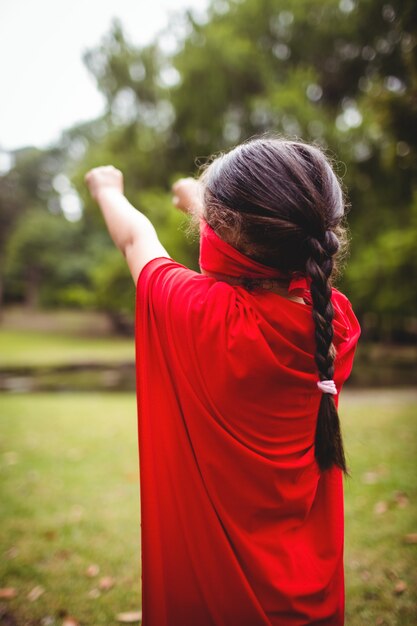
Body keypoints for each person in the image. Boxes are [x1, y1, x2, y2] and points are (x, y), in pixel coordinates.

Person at [85, 137, 360, 626]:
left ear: (221, 232)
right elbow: (261, 248)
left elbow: (135, 238)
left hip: (215, 605)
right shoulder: (334, 325)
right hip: (309, 597)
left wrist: (108, 189)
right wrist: (202, 199)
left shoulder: (199, 315)